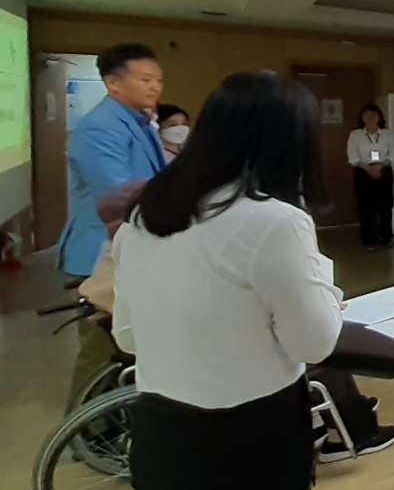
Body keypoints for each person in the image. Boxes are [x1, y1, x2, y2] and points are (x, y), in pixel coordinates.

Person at [113, 71, 365, 489]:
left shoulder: (145, 214)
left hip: (160, 431)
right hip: (251, 435)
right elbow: (313, 344)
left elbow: (127, 335)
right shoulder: (275, 222)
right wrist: (325, 291)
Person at [59, 43, 167, 402]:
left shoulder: (140, 121)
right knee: (101, 347)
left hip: (130, 245)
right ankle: (83, 424)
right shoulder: (100, 128)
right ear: (113, 83)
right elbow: (118, 194)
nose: (155, 87)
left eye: (159, 80)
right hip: (99, 251)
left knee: (122, 344)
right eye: (145, 80)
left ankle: (111, 414)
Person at [347, 104, 394, 251]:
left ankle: (386, 237)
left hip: (384, 170)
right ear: (362, 118)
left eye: (374, 115)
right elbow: (353, 157)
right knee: (366, 206)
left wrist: (380, 166)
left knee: (386, 205)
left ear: (379, 117)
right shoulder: (356, 135)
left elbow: (393, 155)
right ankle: (369, 240)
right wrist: (369, 169)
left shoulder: (387, 134)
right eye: (366, 116)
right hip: (363, 172)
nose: (370, 118)